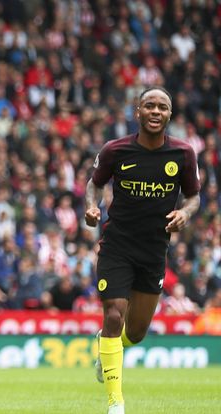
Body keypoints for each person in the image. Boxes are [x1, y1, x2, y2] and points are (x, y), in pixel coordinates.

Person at [85, 86, 200, 414]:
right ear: (137, 112)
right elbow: (94, 184)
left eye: (162, 107)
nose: (155, 111)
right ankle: (115, 402)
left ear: (169, 115)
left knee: (134, 333)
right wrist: (92, 208)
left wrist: (185, 213)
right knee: (113, 316)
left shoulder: (183, 154)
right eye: (149, 105)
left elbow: (194, 196)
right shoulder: (115, 150)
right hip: (117, 246)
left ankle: (107, 350)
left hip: (153, 251)